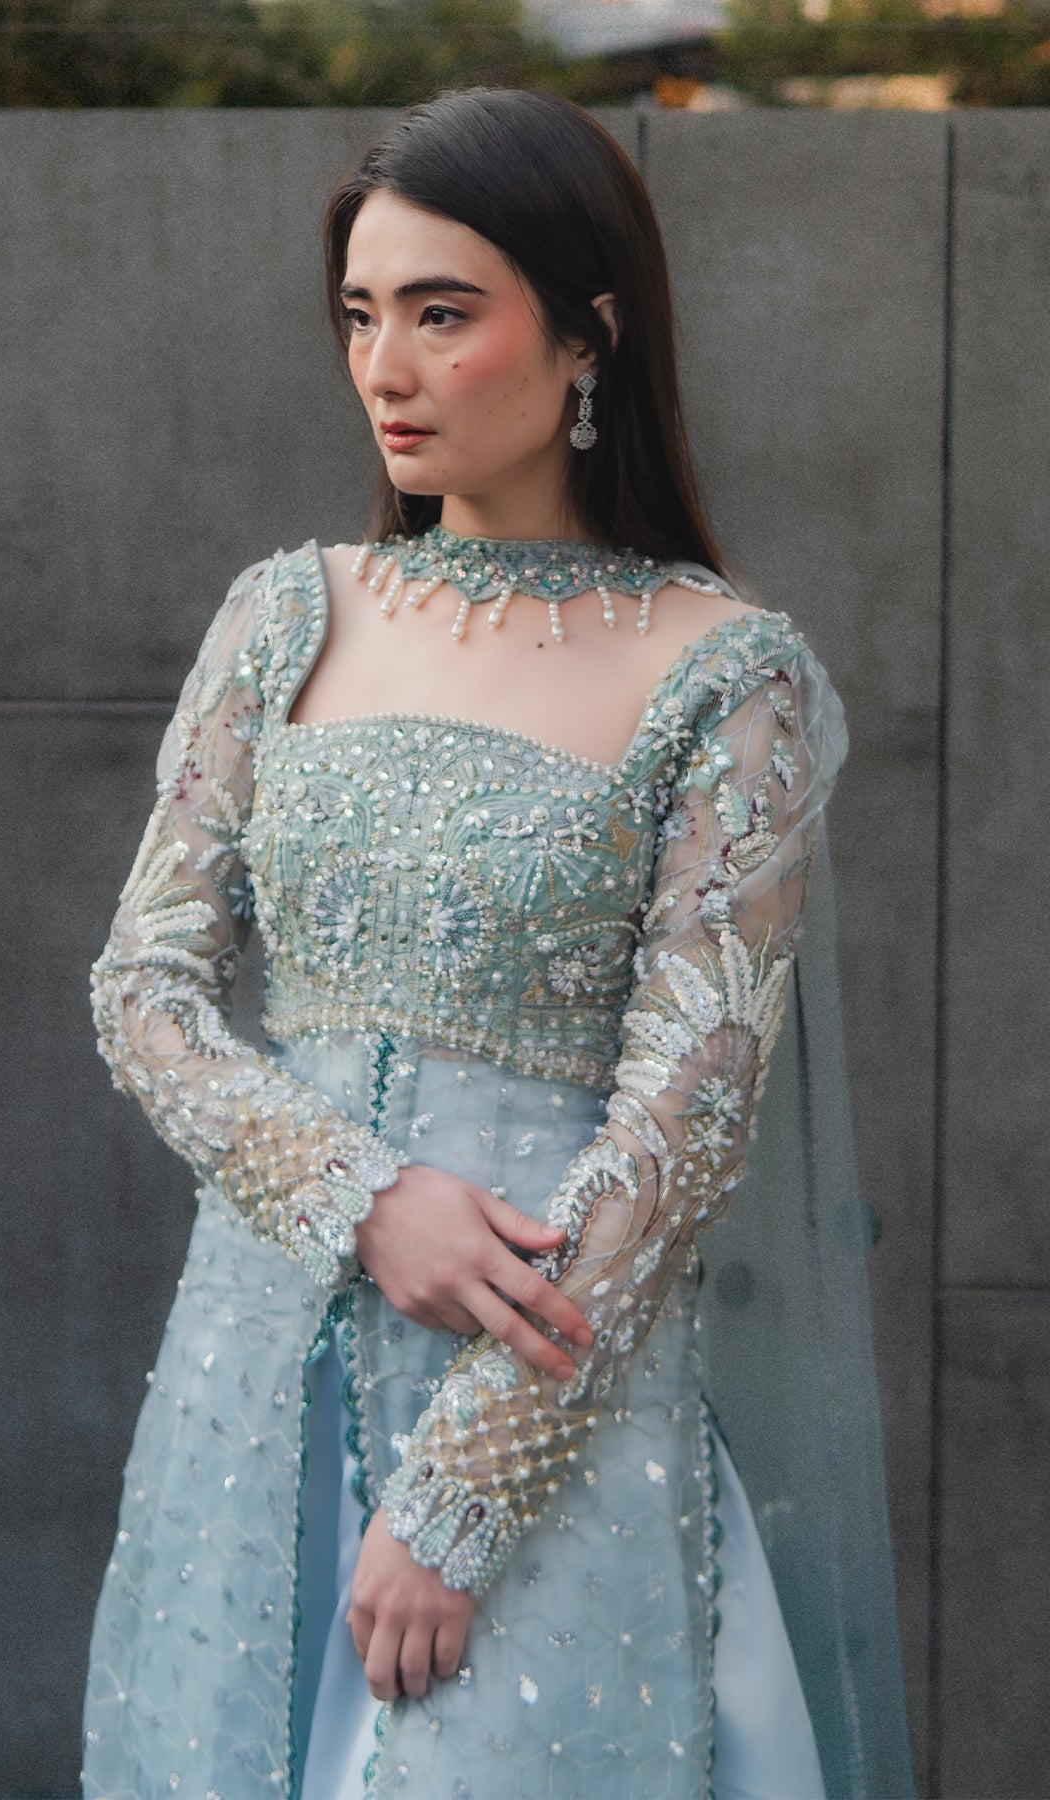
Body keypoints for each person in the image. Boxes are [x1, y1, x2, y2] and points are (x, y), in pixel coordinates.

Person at [81, 88, 913, 1800]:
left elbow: (691, 1118)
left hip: (550, 1401)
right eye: (359, 315)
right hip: (255, 1372)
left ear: (589, 332)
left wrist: (466, 1494)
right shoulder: (285, 616)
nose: (384, 368)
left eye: (442, 314)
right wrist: (362, 1195)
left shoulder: (723, 670)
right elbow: (145, 991)